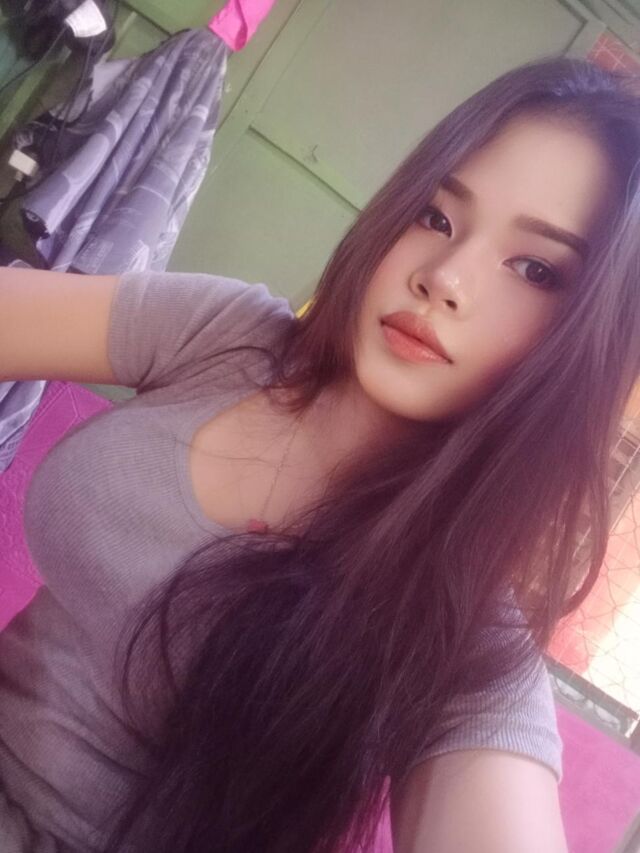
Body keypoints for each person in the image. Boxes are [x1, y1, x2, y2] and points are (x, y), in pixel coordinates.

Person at [0, 55, 639, 853]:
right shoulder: (226, 335)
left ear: (590, 344)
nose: (444, 278)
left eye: (536, 269)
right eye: (436, 216)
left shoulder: (466, 639)